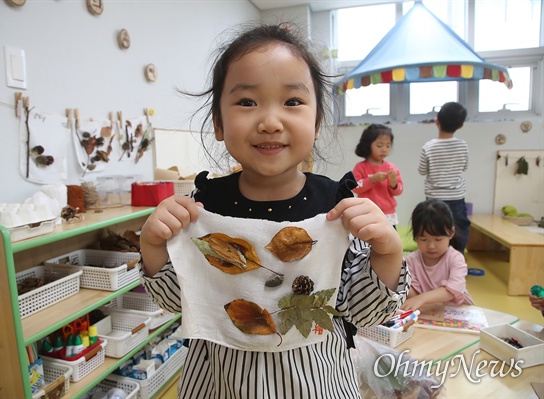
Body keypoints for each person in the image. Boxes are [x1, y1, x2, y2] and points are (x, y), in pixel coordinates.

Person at [138, 23, 409, 398]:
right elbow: (179, 301)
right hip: (221, 384)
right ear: (218, 123)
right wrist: (152, 246)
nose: (269, 122)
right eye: (247, 102)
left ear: (315, 124)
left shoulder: (336, 209)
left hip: (316, 382)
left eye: (292, 102)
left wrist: (389, 251)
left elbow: (366, 313)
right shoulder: (203, 206)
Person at [401, 199, 474, 311]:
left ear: (451, 233)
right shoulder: (411, 260)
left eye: (438, 239)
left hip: (458, 311)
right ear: (415, 237)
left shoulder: (455, 258)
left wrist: (422, 298)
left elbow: (455, 289)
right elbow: (412, 292)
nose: (431, 246)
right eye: (423, 239)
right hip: (428, 312)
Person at [418, 101, 470, 253]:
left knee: (434, 228)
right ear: (461, 126)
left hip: (434, 197)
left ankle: (435, 256)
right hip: (456, 196)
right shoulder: (463, 145)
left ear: (437, 121)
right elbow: (465, 167)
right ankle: (457, 255)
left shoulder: (428, 147)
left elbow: (422, 170)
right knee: (459, 226)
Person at [352, 124, 403, 227]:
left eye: (388, 146)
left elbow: (399, 190)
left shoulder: (391, 168)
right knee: (367, 239)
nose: (384, 149)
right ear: (368, 145)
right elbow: (355, 187)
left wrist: (394, 185)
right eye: (379, 146)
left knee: (388, 241)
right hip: (366, 212)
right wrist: (372, 179)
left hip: (388, 213)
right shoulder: (360, 167)